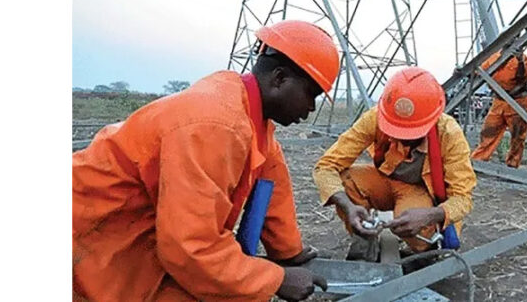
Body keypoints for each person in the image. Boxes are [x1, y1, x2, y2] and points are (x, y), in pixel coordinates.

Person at [73, 20, 337, 301]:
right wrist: (275, 280)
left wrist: (289, 253)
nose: (311, 108)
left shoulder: (253, 119)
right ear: (280, 79)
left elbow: (271, 188)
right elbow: (189, 247)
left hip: (132, 234)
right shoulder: (216, 125)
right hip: (88, 230)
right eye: (311, 94)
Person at [313, 67, 476, 261]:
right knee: (346, 181)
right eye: (396, 129)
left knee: (419, 231)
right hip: (384, 182)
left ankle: (425, 252)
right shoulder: (375, 118)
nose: (402, 137)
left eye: (411, 132)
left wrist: (430, 215)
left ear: (432, 121)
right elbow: (326, 166)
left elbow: (462, 199)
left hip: (418, 192)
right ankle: (365, 242)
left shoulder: (448, 134)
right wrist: (347, 205)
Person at [470, 50, 527, 168]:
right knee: (488, 133)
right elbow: (479, 72)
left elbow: (523, 78)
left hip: (517, 102)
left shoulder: (522, 59)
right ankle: (478, 161)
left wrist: (520, 61)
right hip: (499, 102)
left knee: (517, 138)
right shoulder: (493, 58)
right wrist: (465, 72)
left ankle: (512, 165)